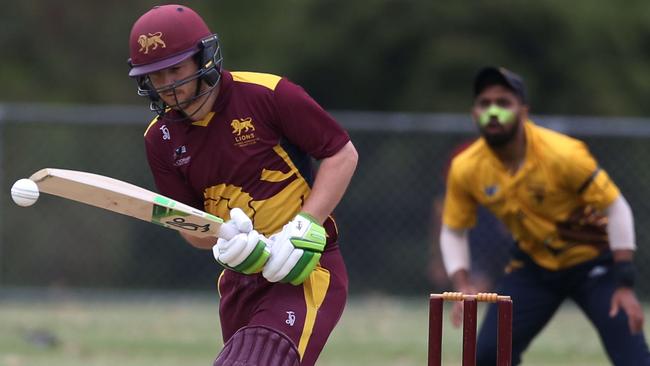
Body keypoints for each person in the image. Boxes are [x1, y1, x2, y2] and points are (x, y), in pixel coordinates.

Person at [127, 5, 358, 366]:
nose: (168, 85)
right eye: (156, 75)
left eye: (175, 69)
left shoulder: (268, 94)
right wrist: (224, 239)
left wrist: (306, 224)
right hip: (239, 281)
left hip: (306, 268)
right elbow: (189, 226)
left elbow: (341, 154)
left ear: (203, 58)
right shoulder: (160, 138)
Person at [439, 66, 650, 365]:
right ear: (474, 114)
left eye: (504, 103)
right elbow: (453, 230)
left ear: (524, 111)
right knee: (485, 356)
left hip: (592, 264)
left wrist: (625, 281)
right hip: (533, 266)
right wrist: (463, 284)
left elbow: (616, 208)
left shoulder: (563, 154)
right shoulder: (466, 167)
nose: (493, 111)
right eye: (485, 104)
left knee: (634, 360)